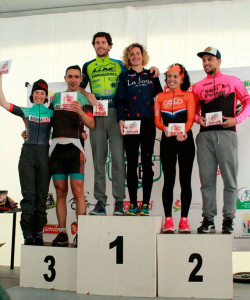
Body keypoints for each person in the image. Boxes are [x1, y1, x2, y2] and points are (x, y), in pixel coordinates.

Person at [79, 32, 159, 216]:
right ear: (94, 46)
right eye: (97, 43)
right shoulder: (88, 66)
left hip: (117, 113)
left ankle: (119, 202)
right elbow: (80, 86)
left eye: (104, 42)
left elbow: (135, 74)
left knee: (118, 159)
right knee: (99, 160)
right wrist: (86, 93)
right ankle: (100, 202)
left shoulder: (120, 65)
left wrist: (153, 69)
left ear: (109, 46)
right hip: (97, 113)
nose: (100, 45)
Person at [193, 47, 250, 234]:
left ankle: (228, 220)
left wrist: (237, 119)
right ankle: (208, 219)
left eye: (210, 59)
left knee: (230, 180)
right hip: (205, 135)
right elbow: (192, 109)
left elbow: (248, 102)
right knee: (206, 180)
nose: (206, 63)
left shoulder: (233, 81)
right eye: (204, 60)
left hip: (227, 133)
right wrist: (196, 119)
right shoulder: (198, 86)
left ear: (219, 61)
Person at [0, 73, 53, 245]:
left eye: (42, 93)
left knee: (42, 196)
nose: (39, 95)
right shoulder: (26, 111)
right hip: (28, 154)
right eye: (36, 92)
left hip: (44, 155)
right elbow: (3, 102)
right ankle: (28, 233)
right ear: (32, 95)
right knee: (28, 196)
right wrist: (0, 77)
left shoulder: (51, 113)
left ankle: (39, 232)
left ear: (46, 97)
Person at [49, 65, 94, 246]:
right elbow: (47, 120)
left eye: (77, 77)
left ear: (81, 79)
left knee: (78, 191)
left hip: (75, 149)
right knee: (60, 191)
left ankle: (81, 234)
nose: (73, 79)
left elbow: (91, 124)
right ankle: (62, 233)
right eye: (70, 76)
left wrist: (81, 112)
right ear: (65, 78)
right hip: (57, 149)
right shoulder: (56, 97)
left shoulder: (85, 98)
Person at [116, 43, 162, 216]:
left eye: (137, 53)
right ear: (128, 58)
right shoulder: (124, 76)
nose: (135, 57)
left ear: (143, 56)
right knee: (132, 163)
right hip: (130, 122)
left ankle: (145, 204)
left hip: (149, 122)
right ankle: (133, 203)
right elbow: (120, 100)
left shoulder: (151, 74)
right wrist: (120, 118)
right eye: (132, 54)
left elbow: (160, 96)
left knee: (147, 162)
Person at [154, 64, 196, 233]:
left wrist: (183, 131)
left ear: (182, 78)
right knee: (169, 181)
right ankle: (169, 220)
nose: (171, 79)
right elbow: (158, 120)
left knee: (185, 181)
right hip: (167, 139)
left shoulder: (189, 95)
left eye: (175, 76)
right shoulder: (159, 97)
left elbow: (191, 118)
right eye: (169, 76)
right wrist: (164, 128)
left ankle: (184, 220)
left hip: (185, 139)